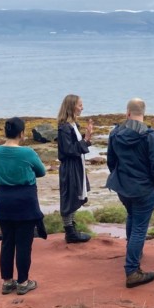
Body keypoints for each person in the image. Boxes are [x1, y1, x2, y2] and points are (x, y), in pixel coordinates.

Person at [106, 98, 154, 288]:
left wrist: (120, 177)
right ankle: (132, 270)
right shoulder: (150, 136)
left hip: (124, 187)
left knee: (131, 216)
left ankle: (132, 252)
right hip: (144, 188)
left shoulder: (115, 133)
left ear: (127, 113)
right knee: (139, 228)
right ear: (144, 113)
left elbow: (111, 161)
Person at [0, 117, 46, 296]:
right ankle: (23, 282)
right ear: (22, 133)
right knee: (24, 244)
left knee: (7, 242)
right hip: (24, 200)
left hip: (3, 200)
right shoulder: (27, 152)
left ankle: (7, 282)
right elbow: (42, 171)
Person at [57, 94, 93, 243]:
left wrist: (86, 138)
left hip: (77, 165)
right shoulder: (65, 127)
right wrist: (85, 140)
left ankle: (71, 228)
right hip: (70, 167)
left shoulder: (73, 126)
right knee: (69, 197)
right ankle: (70, 232)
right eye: (80, 105)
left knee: (75, 195)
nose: (82, 107)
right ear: (72, 107)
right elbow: (69, 150)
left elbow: (75, 146)